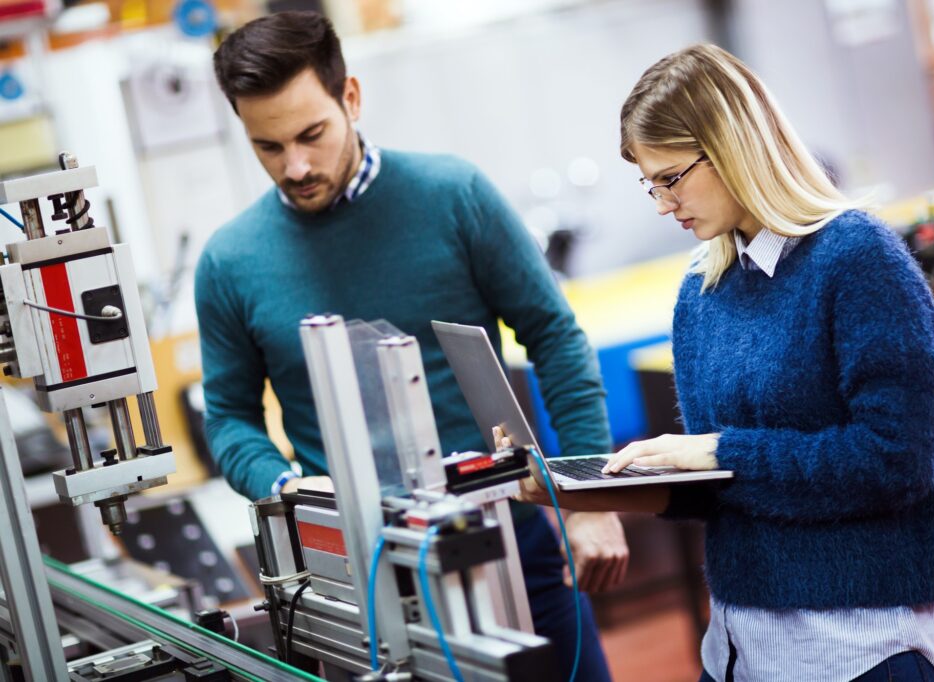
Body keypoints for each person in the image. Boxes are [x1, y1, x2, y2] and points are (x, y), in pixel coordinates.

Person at [196, 11, 626, 680]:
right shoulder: (229, 261)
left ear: (352, 98)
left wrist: (587, 498)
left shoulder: (452, 196)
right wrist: (286, 486)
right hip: (354, 580)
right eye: (268, 147)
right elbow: (228, 418)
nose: (296, 165)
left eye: (311, 134)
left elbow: (555, 336)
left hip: (510, 547)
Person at [521, 44, 934, 682]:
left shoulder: (858, 260)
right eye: (649, 184)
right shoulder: (701, 292)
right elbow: (728, 489)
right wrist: (596, 493)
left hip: (859, 646)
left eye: (672, 177)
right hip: (739, 645)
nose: (660, 203)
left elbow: (895, 463)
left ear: (733, 145)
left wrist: (715, 452)